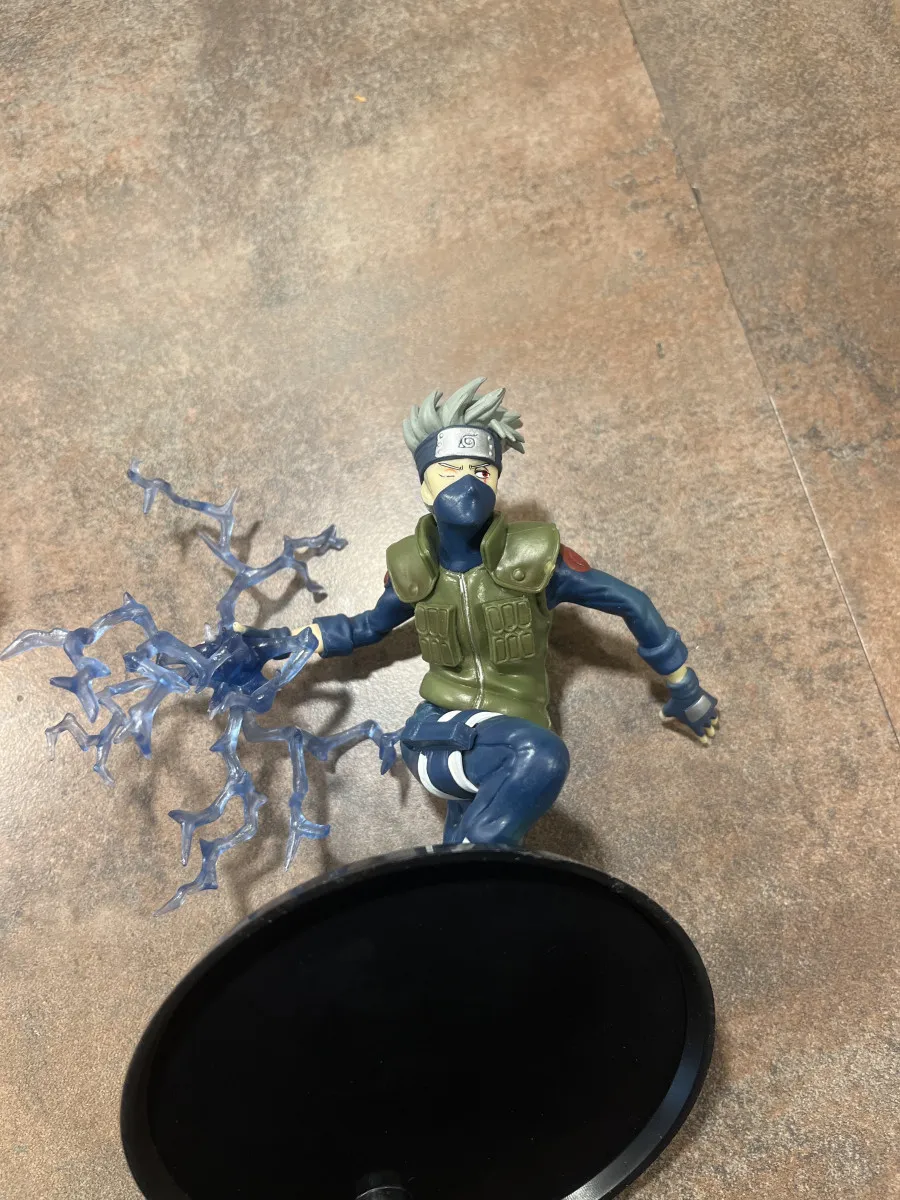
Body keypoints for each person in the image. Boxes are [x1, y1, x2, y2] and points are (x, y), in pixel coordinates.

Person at [295, 378, 719, 846]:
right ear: (424, 486)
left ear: (496, 480)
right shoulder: (412, 566)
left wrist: (684, 686)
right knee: (539, 759)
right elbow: (367, 626)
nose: (466, 483)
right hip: (438, 737)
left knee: (475, 834)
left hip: (506, 743)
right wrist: (294, 642)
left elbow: (631, 602)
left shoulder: (536, 559)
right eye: (449, 470)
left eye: (481, 471)